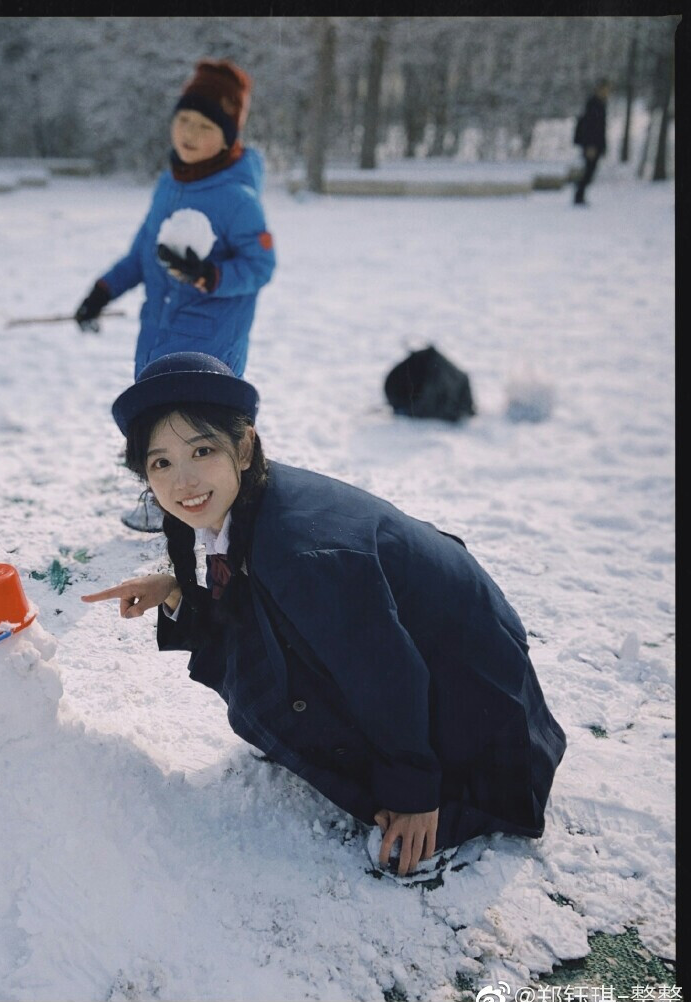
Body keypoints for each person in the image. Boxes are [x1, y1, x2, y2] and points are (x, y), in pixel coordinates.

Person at [81, 352, 568, 878]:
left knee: (285, 691)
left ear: (243, 447)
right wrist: (176, 590)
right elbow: (257, 611)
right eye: (161, 463)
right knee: (264, 662)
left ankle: (450, 809)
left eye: (202, 449)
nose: (184, 481)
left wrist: (416, 792)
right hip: (447, 667)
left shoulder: (301, 553)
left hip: (483, 721)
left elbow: (385, 672)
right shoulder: (254, 500)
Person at [74, 59, 276, 533]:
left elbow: (259, 266)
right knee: (161, 425)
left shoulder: (238, 199)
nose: (188, 132)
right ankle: (168, 495)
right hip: (159, 332)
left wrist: (208, 275)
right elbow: (143, 251)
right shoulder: (171, 183)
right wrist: (103, 290)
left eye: (204, 125)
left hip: (210, 338)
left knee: (196, 430)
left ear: (227, 136)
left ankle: (224, 499)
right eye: (184, 119)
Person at [573, 78, 610, 206]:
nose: (606, 92)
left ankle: (580, 194)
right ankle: (578, 195)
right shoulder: (593, 104)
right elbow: (589, 127)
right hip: (591, 145)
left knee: (590, 170)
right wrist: (590, 146)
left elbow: (601, 128)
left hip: (596, 144)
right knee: (589, 170)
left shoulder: (601, 104)